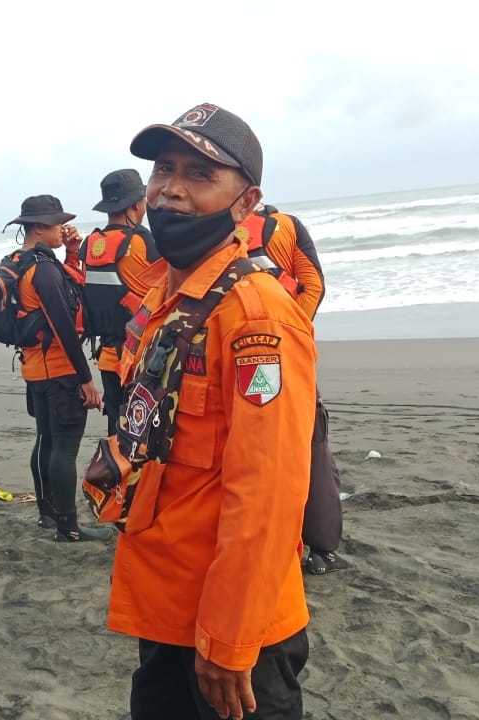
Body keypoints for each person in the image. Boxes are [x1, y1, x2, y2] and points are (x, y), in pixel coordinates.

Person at [108, 102, 317, 719]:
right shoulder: (167, 298)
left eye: (200, 175)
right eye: (163, 170)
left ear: (246, 203)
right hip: (168, 605)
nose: (171, 190)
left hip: (232, 627)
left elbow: (269, 490)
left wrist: (230, 638)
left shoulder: (257, 317)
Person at [237, 206, 349, 575]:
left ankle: (265, 546)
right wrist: (292, 333)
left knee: (250, 447)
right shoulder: (284, 225)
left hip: (235, 355)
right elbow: (314, 284)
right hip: (285, 354)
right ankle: (321, 550)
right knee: (310, 445)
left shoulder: (202, 230)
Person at [4, 195, 112, 542]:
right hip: (60, 372)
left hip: (36, 371)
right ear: (39, 226)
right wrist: (86, 380)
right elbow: (64, 325)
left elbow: (68, 292)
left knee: (46, 442)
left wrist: (73, 252)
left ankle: (47, 515)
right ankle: (69, 527)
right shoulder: (43, 269)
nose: (61, 229)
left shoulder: (20, 262)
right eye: (55, 224)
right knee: (64, 449)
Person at [81, 168, 159, 435]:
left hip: (107, 357)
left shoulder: (89, 245)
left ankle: (113, 475)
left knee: (116, 429)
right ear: (137, 204)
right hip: (140, 357)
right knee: (144, 430)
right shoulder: (143, 242)